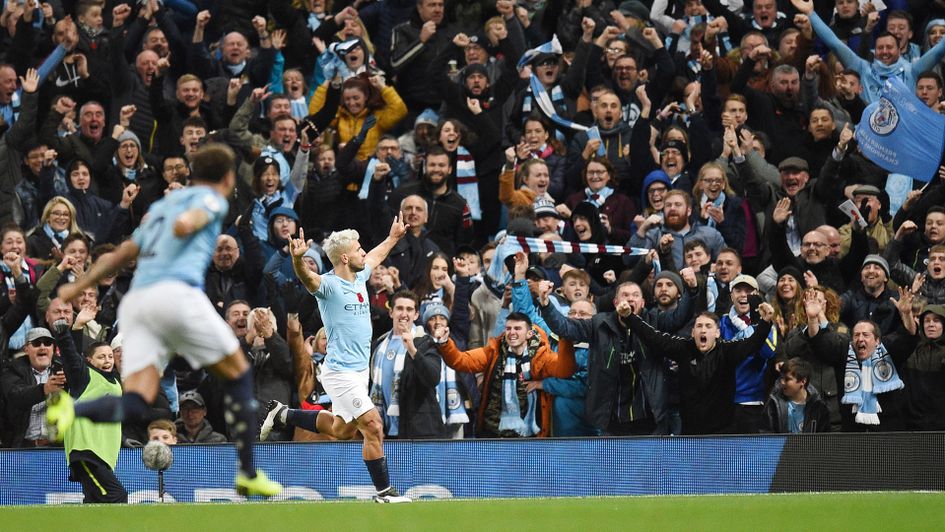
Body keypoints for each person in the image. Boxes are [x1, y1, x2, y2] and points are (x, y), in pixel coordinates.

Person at [46, 144, 282, 497]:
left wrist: (79, 285)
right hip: (175, 295)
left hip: (137, 303)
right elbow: (190, 222)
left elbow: (125, 252)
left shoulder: (160, 207)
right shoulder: (210, 200)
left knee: (138, 399)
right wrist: (186, 226)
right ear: (228, 177)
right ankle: (247, 471)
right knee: (240, 373)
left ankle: (74, 411)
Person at [261, 216, 412, 503]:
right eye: (358, 249)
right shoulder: (328, 286)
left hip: (357, 373)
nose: (363, 253)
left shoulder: (360, 276)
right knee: (373, 425)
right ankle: (384, 493)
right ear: (344, 256)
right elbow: (308, 278)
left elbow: (377, 256)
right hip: (340, 372)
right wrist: (297, 261)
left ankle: (282, 414)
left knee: (342, 430)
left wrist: (393, 237)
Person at [625, 301, 776, 434]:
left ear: (717, 333)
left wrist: (766, 322)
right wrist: (629, 317)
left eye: (708, 326)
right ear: (693, 332)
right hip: (691, 432)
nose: (703, 330)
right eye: (699, 326)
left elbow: (752, 343)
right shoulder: (684, 349)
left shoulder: (727, 351)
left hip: (723, 433)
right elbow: (654, 338)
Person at [52, 321, 126, 503]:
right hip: (86, 452)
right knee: (116, 496)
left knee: (94, 503)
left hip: (103, 455)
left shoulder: (116, 383)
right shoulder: (83, 377)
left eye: (110, 356)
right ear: (89, 361)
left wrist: (124, 439)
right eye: (101, 357)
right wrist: (65, 333)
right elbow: (70, 357)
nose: (107, 360)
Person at [763, 357, 831, 433]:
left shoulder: (818, 407)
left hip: (808, 445)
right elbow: (766, 434)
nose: (782, 382)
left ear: (802, 381)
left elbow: (824, 439)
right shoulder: (774, 404)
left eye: (787, 379)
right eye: (782, 378)